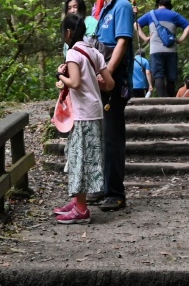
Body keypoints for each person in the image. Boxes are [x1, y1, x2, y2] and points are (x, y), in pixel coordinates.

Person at [90, 0, 134, 211]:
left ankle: (116, 193)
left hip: (114, 83)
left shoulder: (123, 6)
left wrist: (108, 75)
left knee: (113, 137)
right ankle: (104, 187)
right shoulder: (106, 9)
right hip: (103, 78)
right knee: (103, 136)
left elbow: (122, 44)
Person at [54, 13, 105, 224]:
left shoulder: (74, 53)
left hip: (83, 114)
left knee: (79, 158)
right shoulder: (94, 52)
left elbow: (74, 83)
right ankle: (78, 202)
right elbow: (108, 83)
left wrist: (60, 76)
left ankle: (82, 209)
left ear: (68, 33)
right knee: (83, 156)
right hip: (95, 111)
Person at [136, 0, 189, 100]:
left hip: (155, 50)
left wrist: (145, 38)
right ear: (169, 5)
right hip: (171, 50)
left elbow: (136, 24)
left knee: (158, 75)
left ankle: (162, 99)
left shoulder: (150, 14)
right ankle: (171, 100)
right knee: (170, 77)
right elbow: (188, 26)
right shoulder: (174, 15)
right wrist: (180, 40)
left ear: (158, 4)